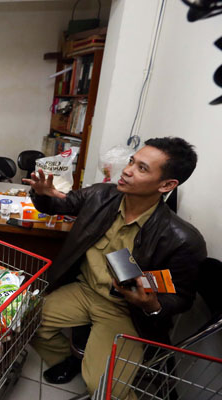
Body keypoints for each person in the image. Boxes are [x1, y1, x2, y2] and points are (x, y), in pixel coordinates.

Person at [24, 137, 207, 397]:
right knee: (23, 322)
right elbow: (61, 203)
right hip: (83, 290)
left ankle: (90, 366)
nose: (127, 170)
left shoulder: (182, 239)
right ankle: (71, 359)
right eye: (132, 161)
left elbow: (182, 298)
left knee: (104, 390)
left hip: (125, 311)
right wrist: (42, 196)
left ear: (166, 185)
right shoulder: (101, 195)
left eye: (142, 168)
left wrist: (150, 304)